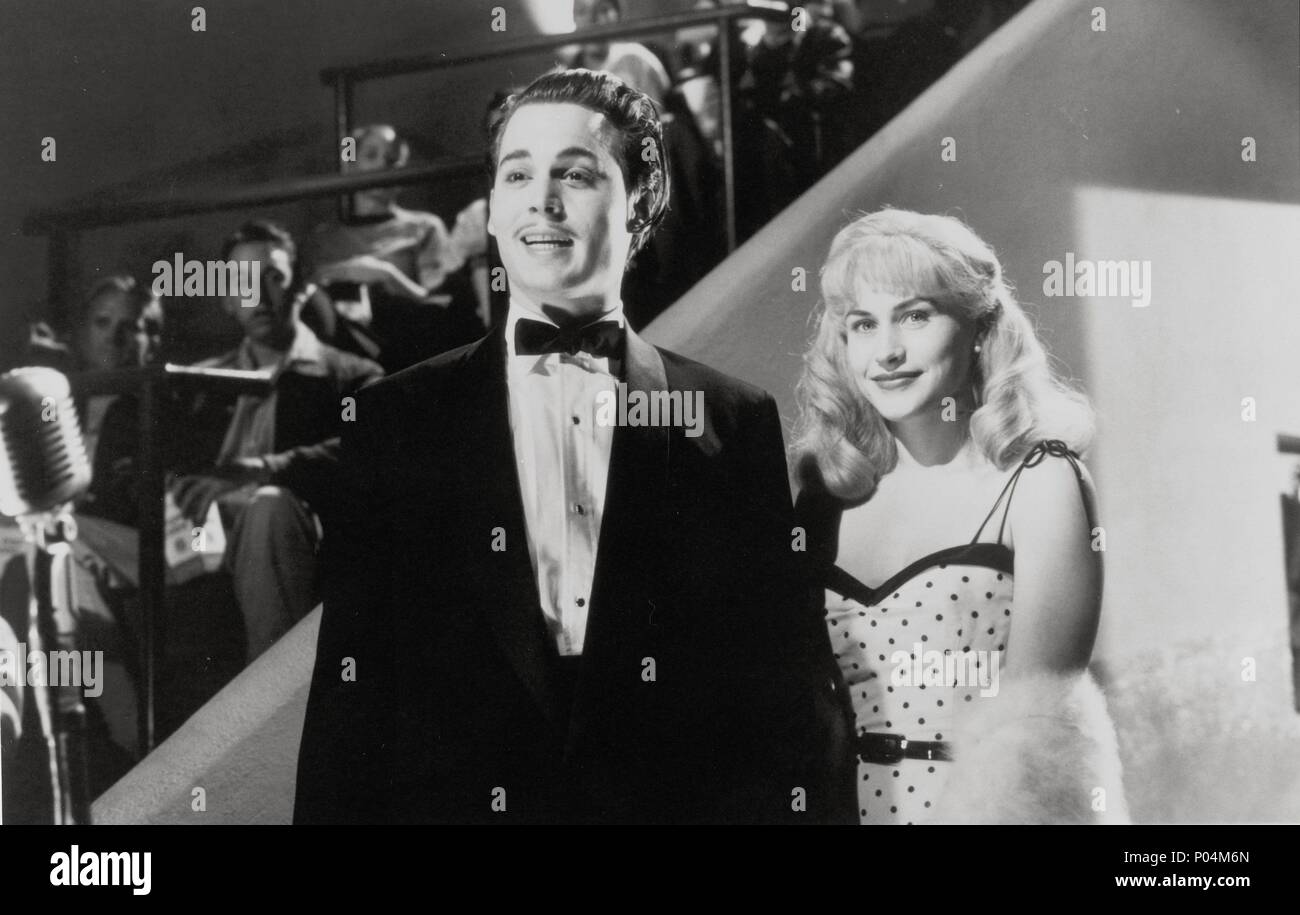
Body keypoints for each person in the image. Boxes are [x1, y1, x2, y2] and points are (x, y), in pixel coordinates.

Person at [295, 68, 855, 825]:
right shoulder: (394, 421)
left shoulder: (734, 420)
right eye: (517, 174)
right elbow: (348, 708)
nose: (542, 199)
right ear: (493, 212)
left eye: (577, 174)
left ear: (642, 204)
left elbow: (778, 702)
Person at [792, 209, 1128, 824]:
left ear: (979, 327)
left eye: (915, 316)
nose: (887, 352)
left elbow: (1036, 730)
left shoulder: (1039, 481)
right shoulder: (823, 497)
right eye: (863, 324)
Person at [167, 220, 384, 663]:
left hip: (292, 534)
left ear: (301, 288)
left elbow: (368, 451)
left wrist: (267, 469)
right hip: (201, 540)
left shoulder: (351, 375)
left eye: (274, 277)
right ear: (228, 299)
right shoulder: (197, 383)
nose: (259, 295)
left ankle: (278, 700)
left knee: (268, 508)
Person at [310, 124, 482, 371]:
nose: (382, 165)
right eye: (371, 156)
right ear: (351, 164)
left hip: (406, 351)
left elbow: (440, 304)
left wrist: (387, 276)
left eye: (392, 160)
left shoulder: (424, 227)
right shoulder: (322, 238)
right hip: (342, 354)